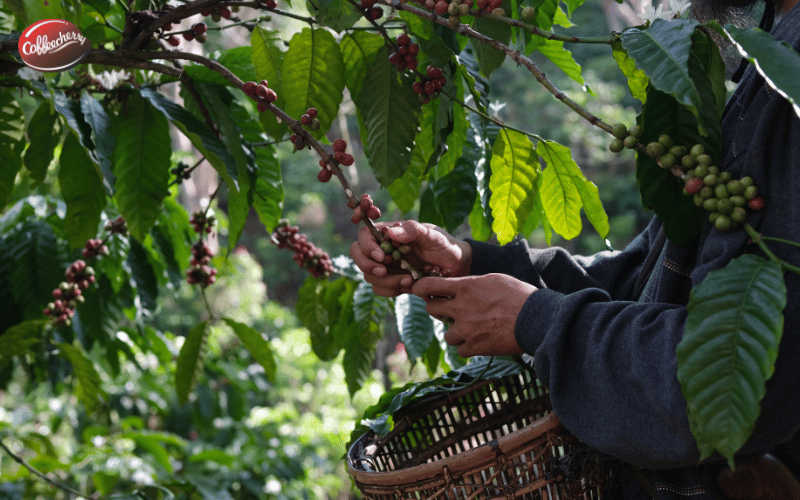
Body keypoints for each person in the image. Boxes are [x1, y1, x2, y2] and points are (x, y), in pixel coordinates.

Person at [350, 0, 800, 496]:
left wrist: (535, 320)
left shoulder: (791, 82)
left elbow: (731, 378)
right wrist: (474, 262)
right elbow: (647, 278)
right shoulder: (770, 60)